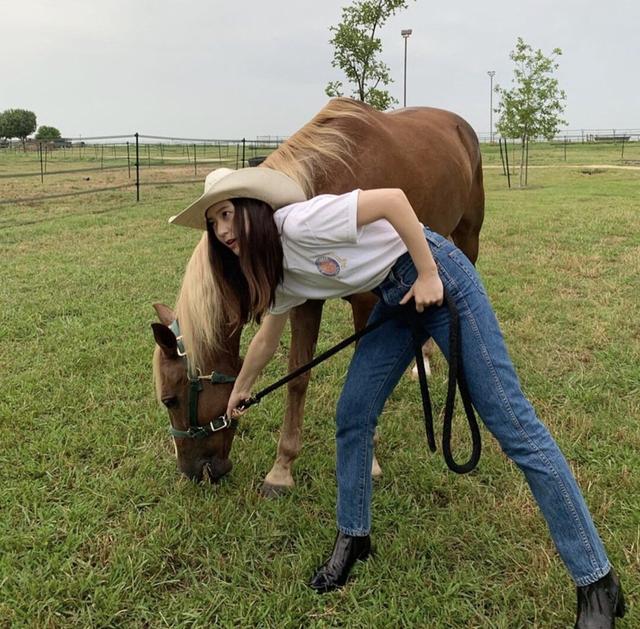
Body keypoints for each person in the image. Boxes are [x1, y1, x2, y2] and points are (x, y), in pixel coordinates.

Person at [170, 167, 625, 628]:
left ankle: (596, 580)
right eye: (214, 223)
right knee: (353, 414)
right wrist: (242, 389)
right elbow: (269, 337)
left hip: (439, 277)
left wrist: (428, 273)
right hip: (395, 298)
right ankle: (354, 537)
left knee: (515, 426)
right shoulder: (276, 270)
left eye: (227, 214)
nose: (223, 230)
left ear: (252, 210)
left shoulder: (302, 222)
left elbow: (392, 199)